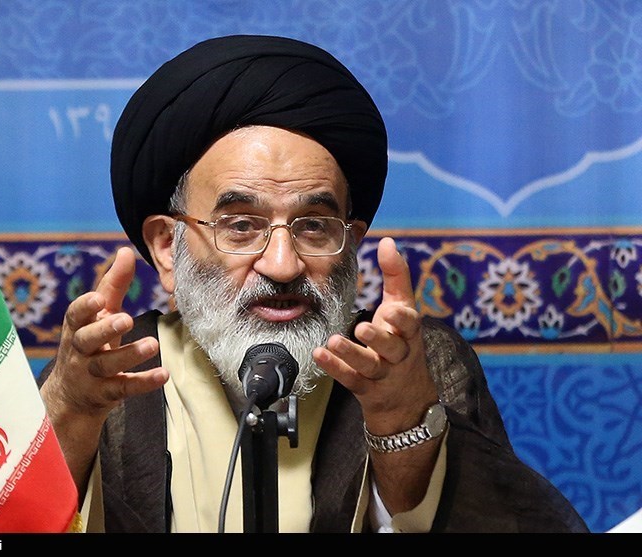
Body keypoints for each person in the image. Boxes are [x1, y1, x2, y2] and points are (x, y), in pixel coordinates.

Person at [39, 34, 589, 533]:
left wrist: (401, 423)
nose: (283, 265)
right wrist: (67, 411)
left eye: (314, 227)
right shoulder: (109, 371)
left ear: (351, 242)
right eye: (241, 226)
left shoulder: (412, 365)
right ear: (166, 245)